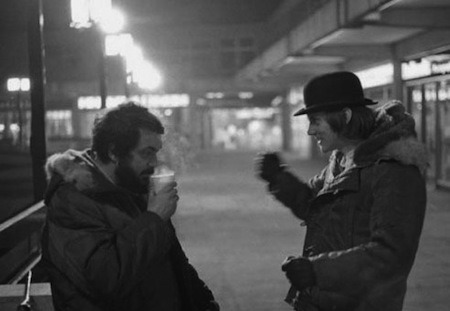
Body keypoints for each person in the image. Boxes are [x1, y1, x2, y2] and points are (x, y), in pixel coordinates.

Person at [256, 71, 427, 311]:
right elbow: (312, 204)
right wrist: (278, 177)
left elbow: (391, 255)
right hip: (322, 301)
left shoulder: (393, 170)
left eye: (316, 121)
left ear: (345, 116)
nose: (310, 131)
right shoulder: (341, 160)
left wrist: (317, 270)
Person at [41, 102, 219, 311]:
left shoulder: (133, 186)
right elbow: (105, 278)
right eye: (146, 153)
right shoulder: (72, 201)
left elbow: (172, 262)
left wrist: (204, 301)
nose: (154, 162)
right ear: (114, 152)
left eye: (156, 152)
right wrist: (154, 218)